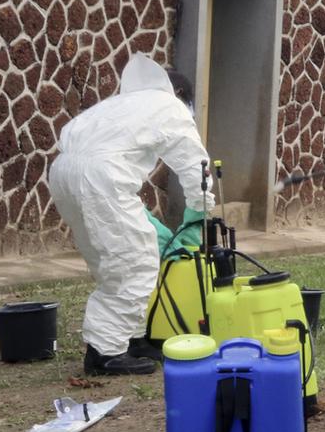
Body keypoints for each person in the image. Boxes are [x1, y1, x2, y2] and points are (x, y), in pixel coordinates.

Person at [47, 54, 215, 376]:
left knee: (110, 258)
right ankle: (105, 354)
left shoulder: (120, 105)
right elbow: (196, 166)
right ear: (179, 96)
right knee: (134, 262)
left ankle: (130, 339)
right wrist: (200, 212)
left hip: (63, 171)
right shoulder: (170, 107)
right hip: (101, 177)